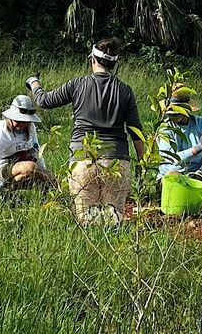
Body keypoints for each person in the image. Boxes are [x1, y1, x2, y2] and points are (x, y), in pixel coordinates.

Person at [27, 38, 144, 225]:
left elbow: (44, 101)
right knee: (113, 220)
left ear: (93, 60)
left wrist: (34, 83)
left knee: (86, 220)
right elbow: (135, 130)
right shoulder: (125, 90)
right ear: (114, 64)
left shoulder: (78, 84)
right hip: (116, 161)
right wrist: (142, 164)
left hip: (83, 160)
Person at [0, 95, 57, 200]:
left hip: (24, 165)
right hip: (5, 167)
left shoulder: (31, 128)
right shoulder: (0, 131)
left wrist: (43, 170)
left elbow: (36, 150)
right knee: (30, 167)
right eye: (18, 121)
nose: (21, 124)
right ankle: (4, 189)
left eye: (25, 122)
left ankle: (12, 190)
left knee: (36, 172)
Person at [156, 84, 202, 181]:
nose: (172, 117)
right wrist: (198, 148)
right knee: (172, 176)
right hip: (169, 176)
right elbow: (173, 159)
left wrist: (200, 172)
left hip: (196, 174)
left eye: (176, 113)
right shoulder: (165, 128)